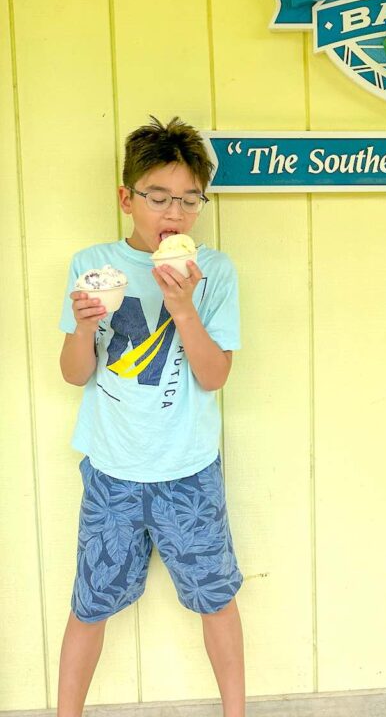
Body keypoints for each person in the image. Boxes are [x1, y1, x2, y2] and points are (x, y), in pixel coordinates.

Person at [57, 116, 245, 716]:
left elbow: (214, 376)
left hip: (189, 466)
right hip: (112, 467)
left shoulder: (214, 272)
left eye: (190, 200)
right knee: (90, 603)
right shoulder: (93, 264)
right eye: (158, 196)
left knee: (215, 597)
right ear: (126, 198)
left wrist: (182, 307)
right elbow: (74, 373)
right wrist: (84, 327)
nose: (175, 213)